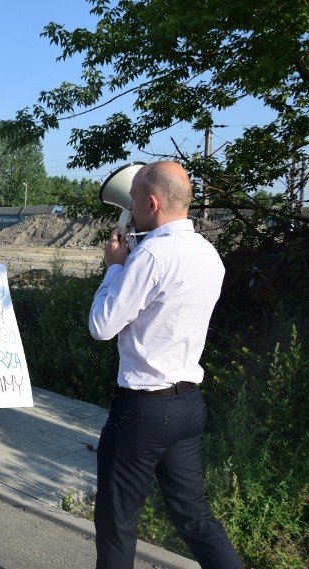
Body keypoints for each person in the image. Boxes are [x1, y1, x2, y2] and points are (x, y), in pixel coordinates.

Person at [88, 161, 242, 568]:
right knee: (194, 517)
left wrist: (115, 268)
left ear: (151, 203)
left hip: (142, 409)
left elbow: (102, 326)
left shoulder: (153, 256)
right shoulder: (208, 253)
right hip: (187, 405)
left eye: (134, 199)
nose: (131, 206)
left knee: (117, 522)